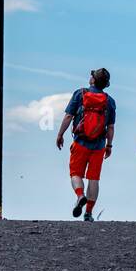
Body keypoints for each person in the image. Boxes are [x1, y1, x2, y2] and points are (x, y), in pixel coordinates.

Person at [56, 68, 116, 221]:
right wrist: (109, 145)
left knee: (75, 174)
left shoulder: (80, 94)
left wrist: (60, 134)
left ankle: (80, 195)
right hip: (99, 145)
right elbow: (110, 127)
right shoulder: (109, 101)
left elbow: (69, 116)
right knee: (94, 179)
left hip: (80, 142)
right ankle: (88, 213)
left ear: (93, 80)